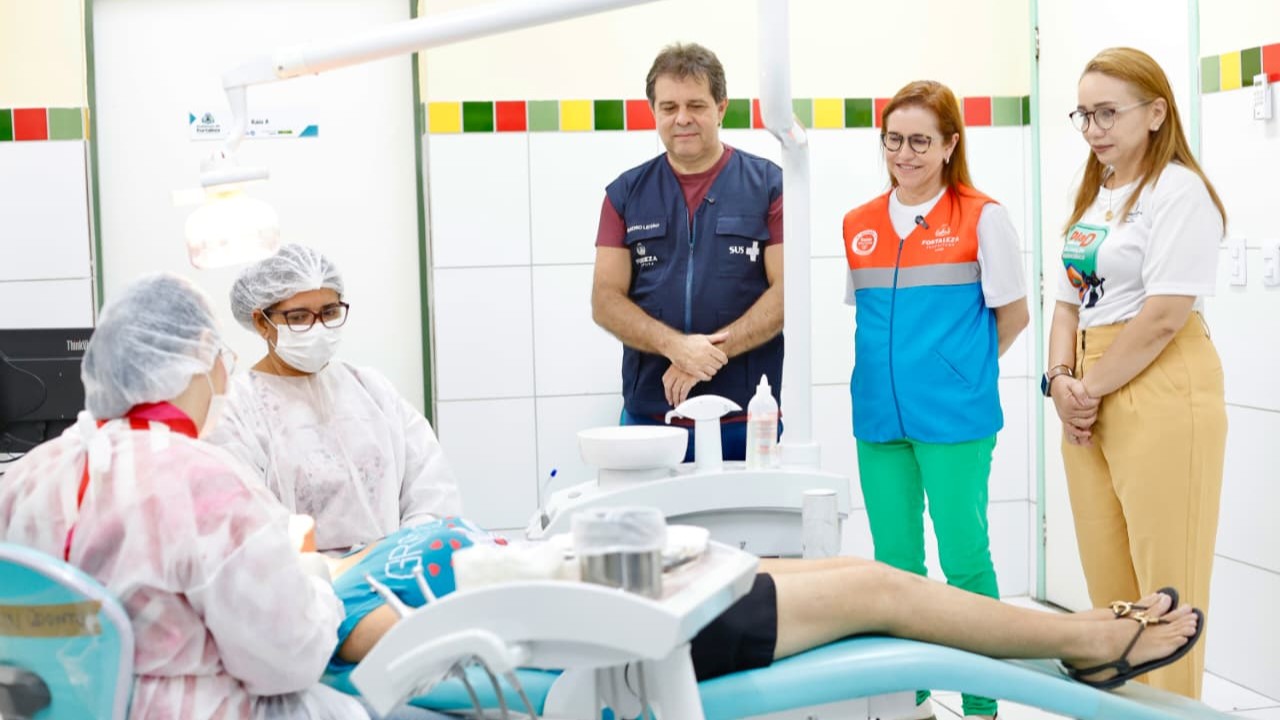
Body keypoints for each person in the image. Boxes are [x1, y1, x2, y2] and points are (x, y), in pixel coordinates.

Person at [0, 273, 366, 720]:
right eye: (221, 359)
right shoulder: (204, 481)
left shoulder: (28, 476)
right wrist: (314, 582)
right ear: (198, 357)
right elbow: (290, 662)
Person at [325, 519, 1204, 703]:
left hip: (630, 589)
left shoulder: (357, 551)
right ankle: (1087, 640)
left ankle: (1076, 635)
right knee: (880, 594)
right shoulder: (325, 607)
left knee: (860, 571)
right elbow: (444, 654)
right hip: (625, 635)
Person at [841, 80, 1029, 719]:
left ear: (950, 144)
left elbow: (1014, 315)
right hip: (878, 418)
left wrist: (958, 374)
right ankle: (909, 697)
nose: (905, 154)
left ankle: (981, 704)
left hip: (956, 419)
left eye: (920, 141)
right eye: (894, 140)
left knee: (964, 557)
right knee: (894, 566)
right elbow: (871, 317)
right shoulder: (859, 223)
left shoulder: (982, 216)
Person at [1047, 47, 1228, 700]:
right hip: (1086, 383)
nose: (1093, 128)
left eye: (1107, 113)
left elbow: (1163, 316)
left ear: (1155, 113)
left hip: (1158, 380)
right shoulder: (1095, 196)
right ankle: (1123, 710)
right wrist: (1059, 381)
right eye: (1083, 114)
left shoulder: (1178, 191)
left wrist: (1085, 391)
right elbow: (1065, 302)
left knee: (1168, 588)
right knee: (1109, 584)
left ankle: (1174, 711)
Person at [591, 42, 784, 462]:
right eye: (669, 107)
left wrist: (706, 356)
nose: (682, 118)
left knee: (748, 509)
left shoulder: (769, 186)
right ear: (653, 111)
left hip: (748, 418)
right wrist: (675, 347)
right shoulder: (625, 194)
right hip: (652, 419)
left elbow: (787, 293)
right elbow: (605, 300)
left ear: (721, 107)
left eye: (696, 105)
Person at [208, 243, 462, 554]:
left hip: (393, 573)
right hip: (298, 581)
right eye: (299, 317)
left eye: (329, 312)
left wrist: (400, 558)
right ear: (262, 322)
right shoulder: (237, 408)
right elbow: (245, 523)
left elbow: (431, 489)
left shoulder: (371, 389)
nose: (317, 327)